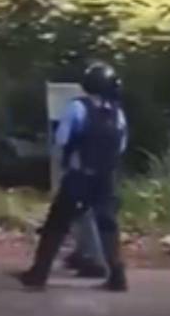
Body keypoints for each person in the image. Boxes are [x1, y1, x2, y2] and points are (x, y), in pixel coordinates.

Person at [13, 61, 129, 291]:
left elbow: (62, 139)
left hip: (80, 176)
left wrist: (66, 159)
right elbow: (122, 145)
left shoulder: (78, 107)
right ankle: (117, 276)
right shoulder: (117, 113)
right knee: (108, 226)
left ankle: (38, 274)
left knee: (56, 224)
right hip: (106, 178)